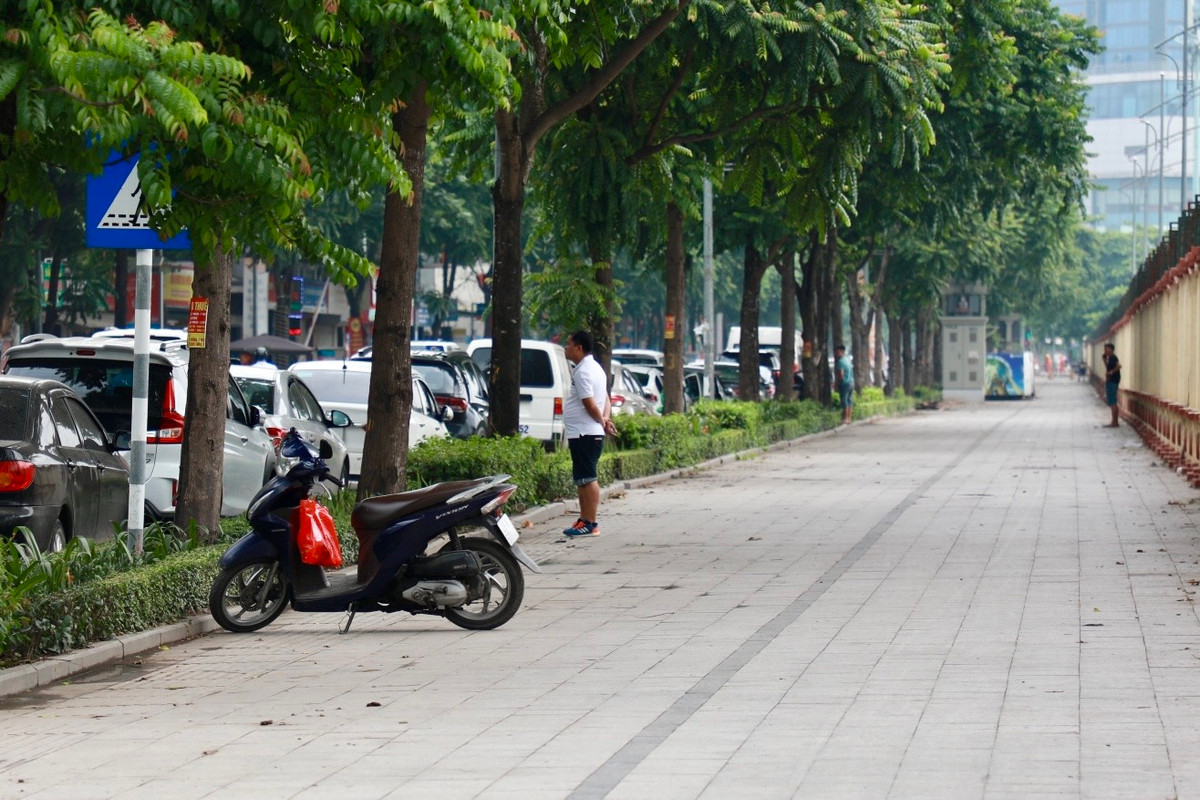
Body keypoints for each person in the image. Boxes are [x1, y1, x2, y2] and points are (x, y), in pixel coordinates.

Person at [561, 330, 617, 537]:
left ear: (579, 348)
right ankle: (584, 519)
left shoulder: (583, 371)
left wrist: (602, 420)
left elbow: (589, 403)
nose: (566, 348)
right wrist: (605, 419)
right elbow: (606, 400)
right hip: (584, 432)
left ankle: (591, 523)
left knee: (588, 478)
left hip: (585, 433)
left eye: (568, 344)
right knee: (582, 479)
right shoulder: (596, 368)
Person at [834, 344, 854, 425]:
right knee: (849, 400)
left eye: (837, 352)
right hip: (851, 382)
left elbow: (841, 375)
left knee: (844, 401)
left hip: (845, 383)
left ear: (841, 352)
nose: (836, 354)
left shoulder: (840, 362)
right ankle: (849, 418)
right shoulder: (847, 359)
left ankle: (845, 418)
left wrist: (837, 383)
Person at [1103, 343, 1121, 427]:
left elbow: (1119, 366)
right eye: (1105, 349)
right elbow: (1108, 367)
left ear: (1111, 349)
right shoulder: (1110, 358)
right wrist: (1104, 359)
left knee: (1113, 402)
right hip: (1111, 381)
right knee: (1112, 402)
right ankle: (1114, 421)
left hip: (1113, 381)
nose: (1105, 351)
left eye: (1106, 349)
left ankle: (1115, 422)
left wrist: (1111, 372)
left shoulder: (1113, 357)